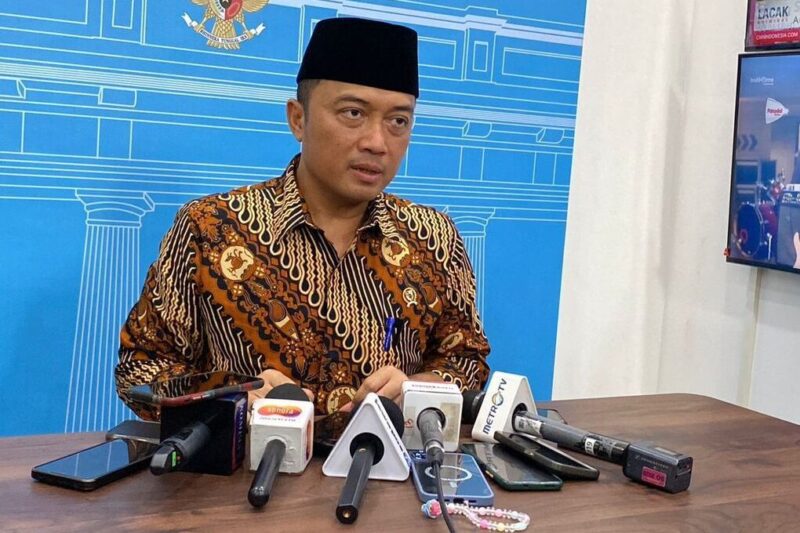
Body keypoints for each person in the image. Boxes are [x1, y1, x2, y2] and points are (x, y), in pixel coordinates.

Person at [115, 17, 490, 419]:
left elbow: (466, 361)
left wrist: (419, 389)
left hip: (386, 458)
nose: (377, 142)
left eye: (398, 121)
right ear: (298, 118)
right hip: (248, 459)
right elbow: (141, 369)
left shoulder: (432, 237)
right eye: (353, 113)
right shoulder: (211, 227)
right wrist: (232, 399)